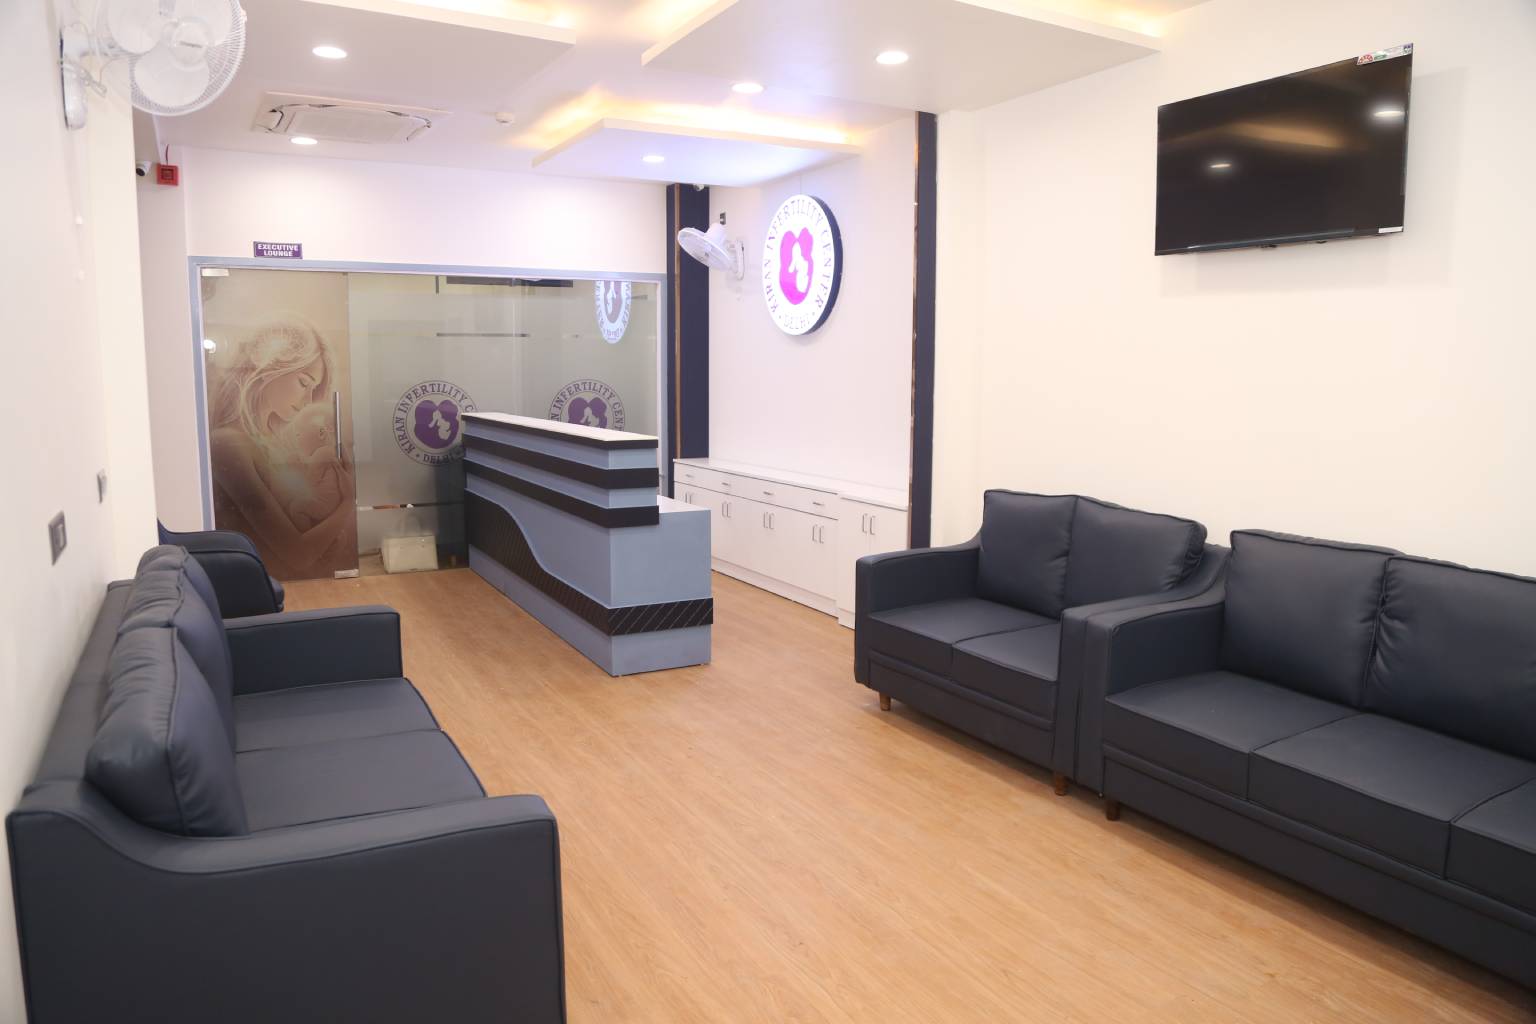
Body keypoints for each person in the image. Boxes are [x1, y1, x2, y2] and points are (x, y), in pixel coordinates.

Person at [207, 319, 356, 580]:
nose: (308, 400)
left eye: (314, 389)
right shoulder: (229, 445)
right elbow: (298, 554)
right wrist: (347, 503)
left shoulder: (271, 443)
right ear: (271, 368)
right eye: (304, 383)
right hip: (260, 586)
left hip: (302, 585)